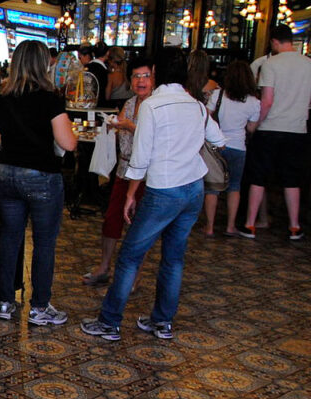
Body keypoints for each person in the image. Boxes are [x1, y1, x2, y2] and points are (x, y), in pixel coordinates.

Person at [81, 47, 225, 341]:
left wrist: (132, 195)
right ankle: (162, 322)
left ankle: (109, 322)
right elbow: (219, 140)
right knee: (173, 258)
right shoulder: (196, 104)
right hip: (193, 189)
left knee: (130, 256)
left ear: (157, 72)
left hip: (163, 188)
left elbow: (141, 158)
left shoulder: (153, 106)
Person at [0, 40, 77, 326]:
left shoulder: (2, 97)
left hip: (6, 174)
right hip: (42, 177)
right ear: (43, 64)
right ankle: (39, 307)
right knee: (44, 243)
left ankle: (4, 301)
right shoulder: (50, 99)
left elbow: (0, 137)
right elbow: (68, 143)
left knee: (9, 238)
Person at [239, 24, 311, 241]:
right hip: (297, 129)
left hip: (270, 128)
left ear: (274, 42)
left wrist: (255, 125)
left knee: (259, 177)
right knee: (292, 179)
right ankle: (294, 227)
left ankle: (249, 225)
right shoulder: (309, 64)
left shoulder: (271, 64)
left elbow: (266, 101)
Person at [82, 57, 154, 286]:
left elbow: (150, 135)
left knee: (140, 226)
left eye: (145, 76)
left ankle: (134, 276)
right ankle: (104, 267)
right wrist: (114, 126)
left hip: (146, 175)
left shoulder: (156, 105)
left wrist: (126, 126)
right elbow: (122, 128)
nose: (140, 81)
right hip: (124, 170)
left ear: (153, 79)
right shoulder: (130, 103)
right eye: (136, 76)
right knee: (112, 219)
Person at [202, 59, 260, 237]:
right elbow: (251, 128)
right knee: (234, 187)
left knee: (212, 188)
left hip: (216, 146)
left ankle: (210, 227)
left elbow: (206, 117)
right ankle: (230, 226)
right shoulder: (253, 102)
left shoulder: (217, 95)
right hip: (238, 147)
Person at [78, 42, 110, 107]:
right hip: (100, 107)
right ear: (107, 53)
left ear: (93, 53)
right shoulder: (105, 71)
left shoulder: (86, 68)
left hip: (85, 105)